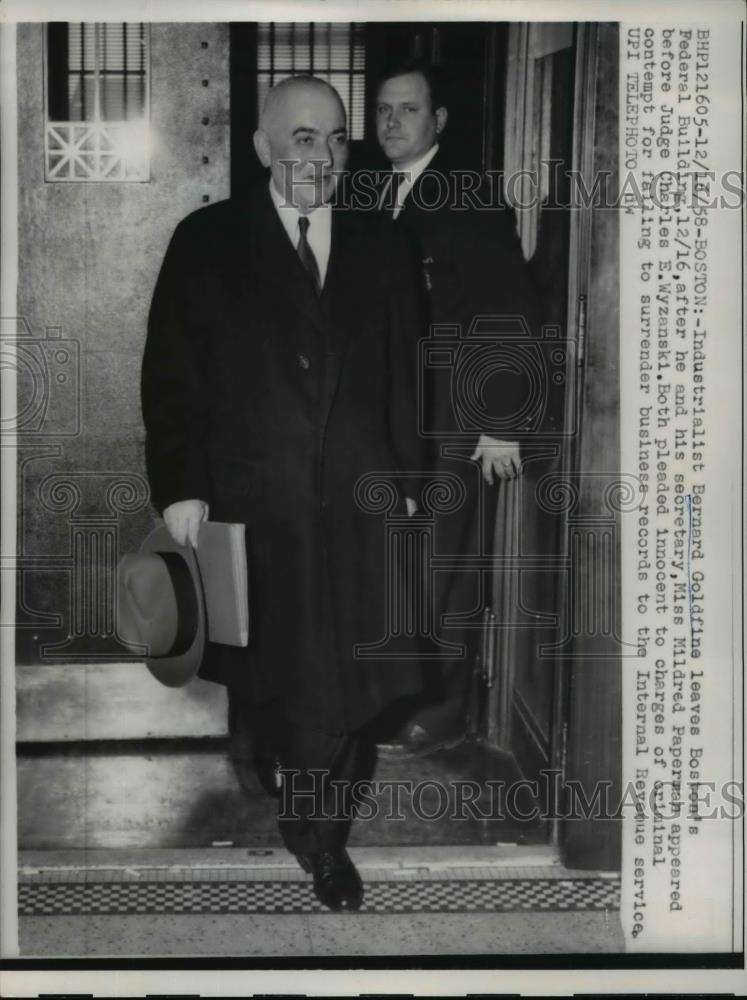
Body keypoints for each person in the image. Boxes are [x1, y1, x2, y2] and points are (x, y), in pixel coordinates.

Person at [142, 76, 423, 911]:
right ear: (263, 147)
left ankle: (319, 841)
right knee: (272, 675)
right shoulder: (206, 240)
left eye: (336, 138)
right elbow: (170, 377)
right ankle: (269, 743)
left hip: (355, 501)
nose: (321, 155)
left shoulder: (382, 243)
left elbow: (409, 376)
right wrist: (181, 487)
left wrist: (409, 481)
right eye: (301, 137)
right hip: (250, 502)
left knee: (336, 686)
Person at [374, 59, 541, 752]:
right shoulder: (377, 194)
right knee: (401, 565)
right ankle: (399, 695)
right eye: (382, 109)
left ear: (437, 121)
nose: (390, 122)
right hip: (392, 422)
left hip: (452, 421)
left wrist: (500, 424)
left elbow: (509, 314)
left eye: (407, 110)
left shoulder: (467, 196)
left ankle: (443, 713)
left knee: (447, 568)